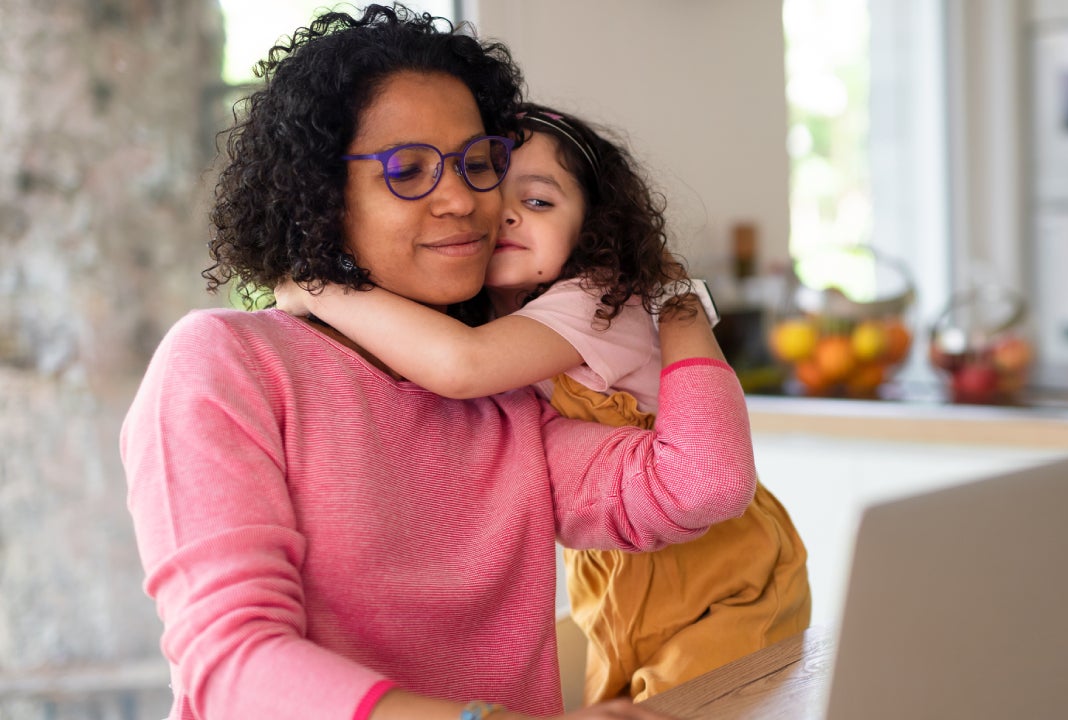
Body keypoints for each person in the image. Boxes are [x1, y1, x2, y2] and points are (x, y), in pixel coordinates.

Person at [119, 5, 757, 720]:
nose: (462, 199)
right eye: (408, 170)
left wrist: (674, 295)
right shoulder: (227, 362)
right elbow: (232, 667)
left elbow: (702, 484)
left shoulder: (508, 395)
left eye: (476, 164)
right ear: (321, 197)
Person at [276, 103, 812, 703]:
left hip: (725, 578)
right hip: (620, 578)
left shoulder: (597, 299)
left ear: (591, 230)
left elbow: (462, 366)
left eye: (538, 202)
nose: (503, 213)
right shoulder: (511, 319)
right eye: (490, 191)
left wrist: (318, 287)